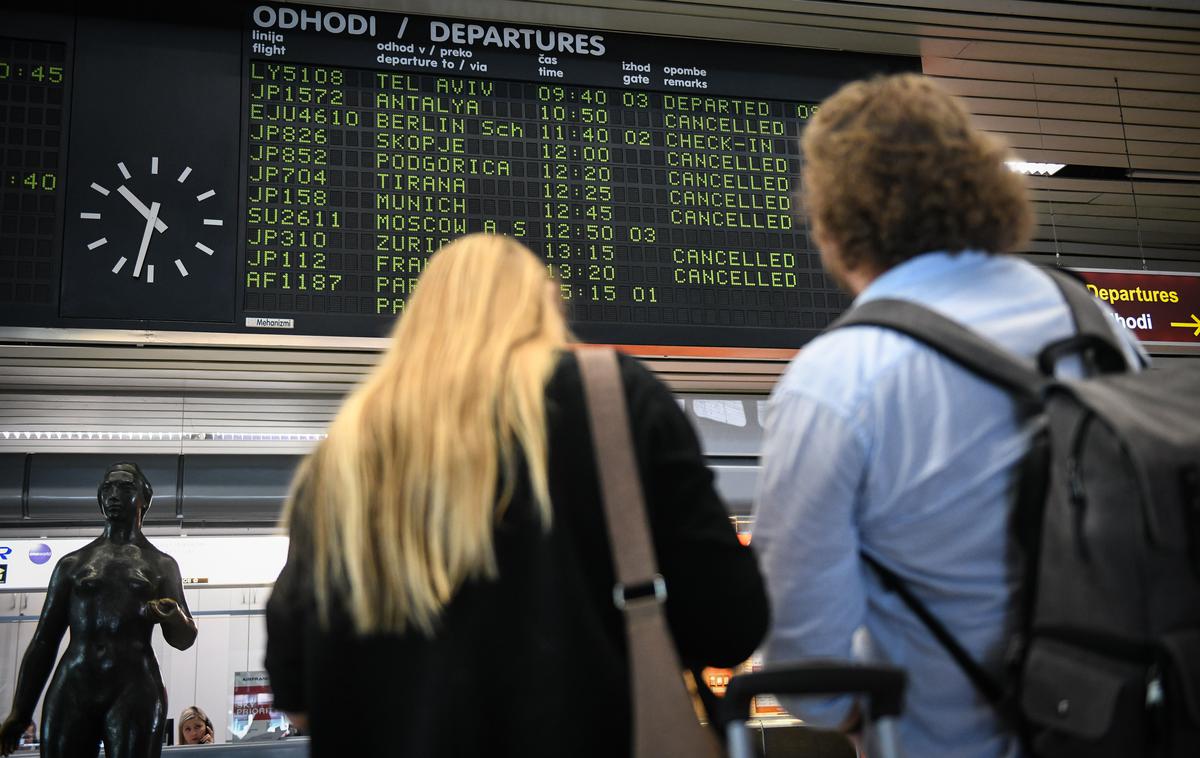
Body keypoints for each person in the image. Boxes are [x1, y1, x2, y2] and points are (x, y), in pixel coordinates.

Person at [753, 74, 1142, 758]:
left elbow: (807, 665)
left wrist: (855, 717)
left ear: (834, 217)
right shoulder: (1096, 324)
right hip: (1129, 727)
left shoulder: (839, 377)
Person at [265, 233, 768, 756]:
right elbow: (729, 626)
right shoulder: (616, 400)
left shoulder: (348, 452)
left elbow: (296, 691)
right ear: (543, 307)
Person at [0, 463, 198, 758]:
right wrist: (20, 711)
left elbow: (184, 638)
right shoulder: (72, 565)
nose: (114, 495)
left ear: (145, 498)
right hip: (74, 684)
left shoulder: (161, 566)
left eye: (125, 487)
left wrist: (173, 618)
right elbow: (44, 640)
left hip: (134, 688)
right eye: (107, 488)